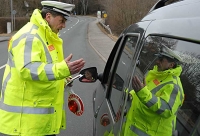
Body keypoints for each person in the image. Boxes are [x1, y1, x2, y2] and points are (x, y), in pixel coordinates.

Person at [0, 1, 85, 136]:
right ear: (48, 17)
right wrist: (62, 69)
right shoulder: (30, 36)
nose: (64, 25)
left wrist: (62, 79)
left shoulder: (46, 35)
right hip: (26, 124)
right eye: (61, 21)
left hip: (38, 122)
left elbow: (46, 69)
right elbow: (28, 69)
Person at [123, 46, 185, 136]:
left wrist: (142, 92)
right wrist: (130, 94)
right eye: (158, 58)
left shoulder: (174, 86)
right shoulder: (156, 74)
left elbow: (166, 109)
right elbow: (145, 91)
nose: (157, 61)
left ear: (171, 65)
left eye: (161, 59)